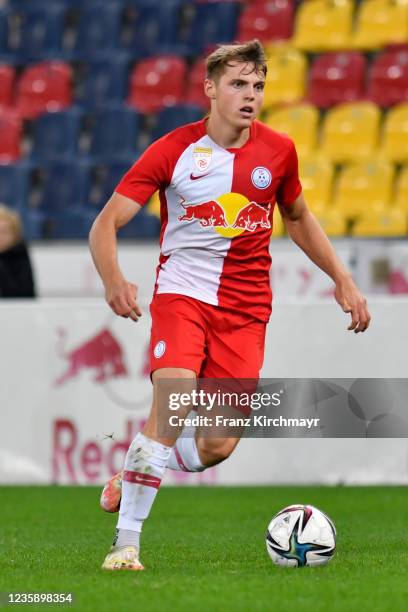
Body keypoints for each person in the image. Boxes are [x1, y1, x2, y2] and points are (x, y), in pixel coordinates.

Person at [89, 40, 371, 571]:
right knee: (171, 405)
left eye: (258, 86)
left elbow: (300, 216)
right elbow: (106, 223)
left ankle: (137, 470)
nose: (251, 96)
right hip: (183, 298)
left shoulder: (279, 151)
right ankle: (125, 545)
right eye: (239, 84)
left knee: (216, 444)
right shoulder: (172, 151)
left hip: (245, 311)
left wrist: (342, 278)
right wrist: (114, 279)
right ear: (211, 89)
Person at [0, 204, 36, 298]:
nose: (1, 237)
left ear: (15, 234)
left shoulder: (20, 255)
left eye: (4, 231)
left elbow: (25, 293)